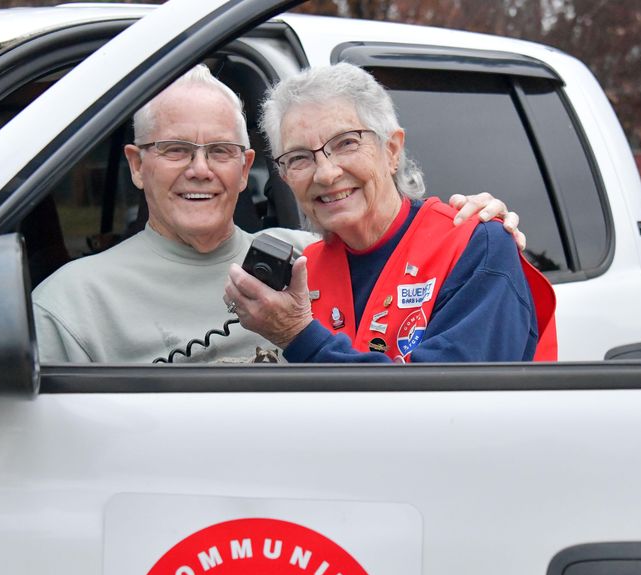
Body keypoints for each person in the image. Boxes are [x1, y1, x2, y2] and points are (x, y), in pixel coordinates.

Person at [32, 65, 523, 364]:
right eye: (177, 150)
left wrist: (486, 237)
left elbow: (446, 413)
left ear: (247, 169)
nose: (200, 170)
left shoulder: (305, 259)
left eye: (221, 151)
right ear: (138, 166)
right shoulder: (67, 306)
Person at [223, 63, 557, 364]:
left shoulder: (475, 246)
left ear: (392, 150)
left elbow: (443, 410)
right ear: (284, 178)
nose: (325, 174)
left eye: (346, 143)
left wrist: (299, 336)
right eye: (298, 158)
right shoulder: (302, 274)